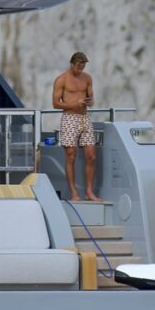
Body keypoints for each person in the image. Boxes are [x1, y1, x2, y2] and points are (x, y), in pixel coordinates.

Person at [52, 51, 99, 201]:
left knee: (91, 156)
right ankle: (74, 193)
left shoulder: (87, 78)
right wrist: (74, 103)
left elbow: (91, 98)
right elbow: (55, 103)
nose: (80, 70)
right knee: (71, 156)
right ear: (72, 64)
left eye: (83, 67)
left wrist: (90, 102)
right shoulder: (61, 80)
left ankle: (89, 191)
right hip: (69, 118)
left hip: (84, 118)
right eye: (78, 67)